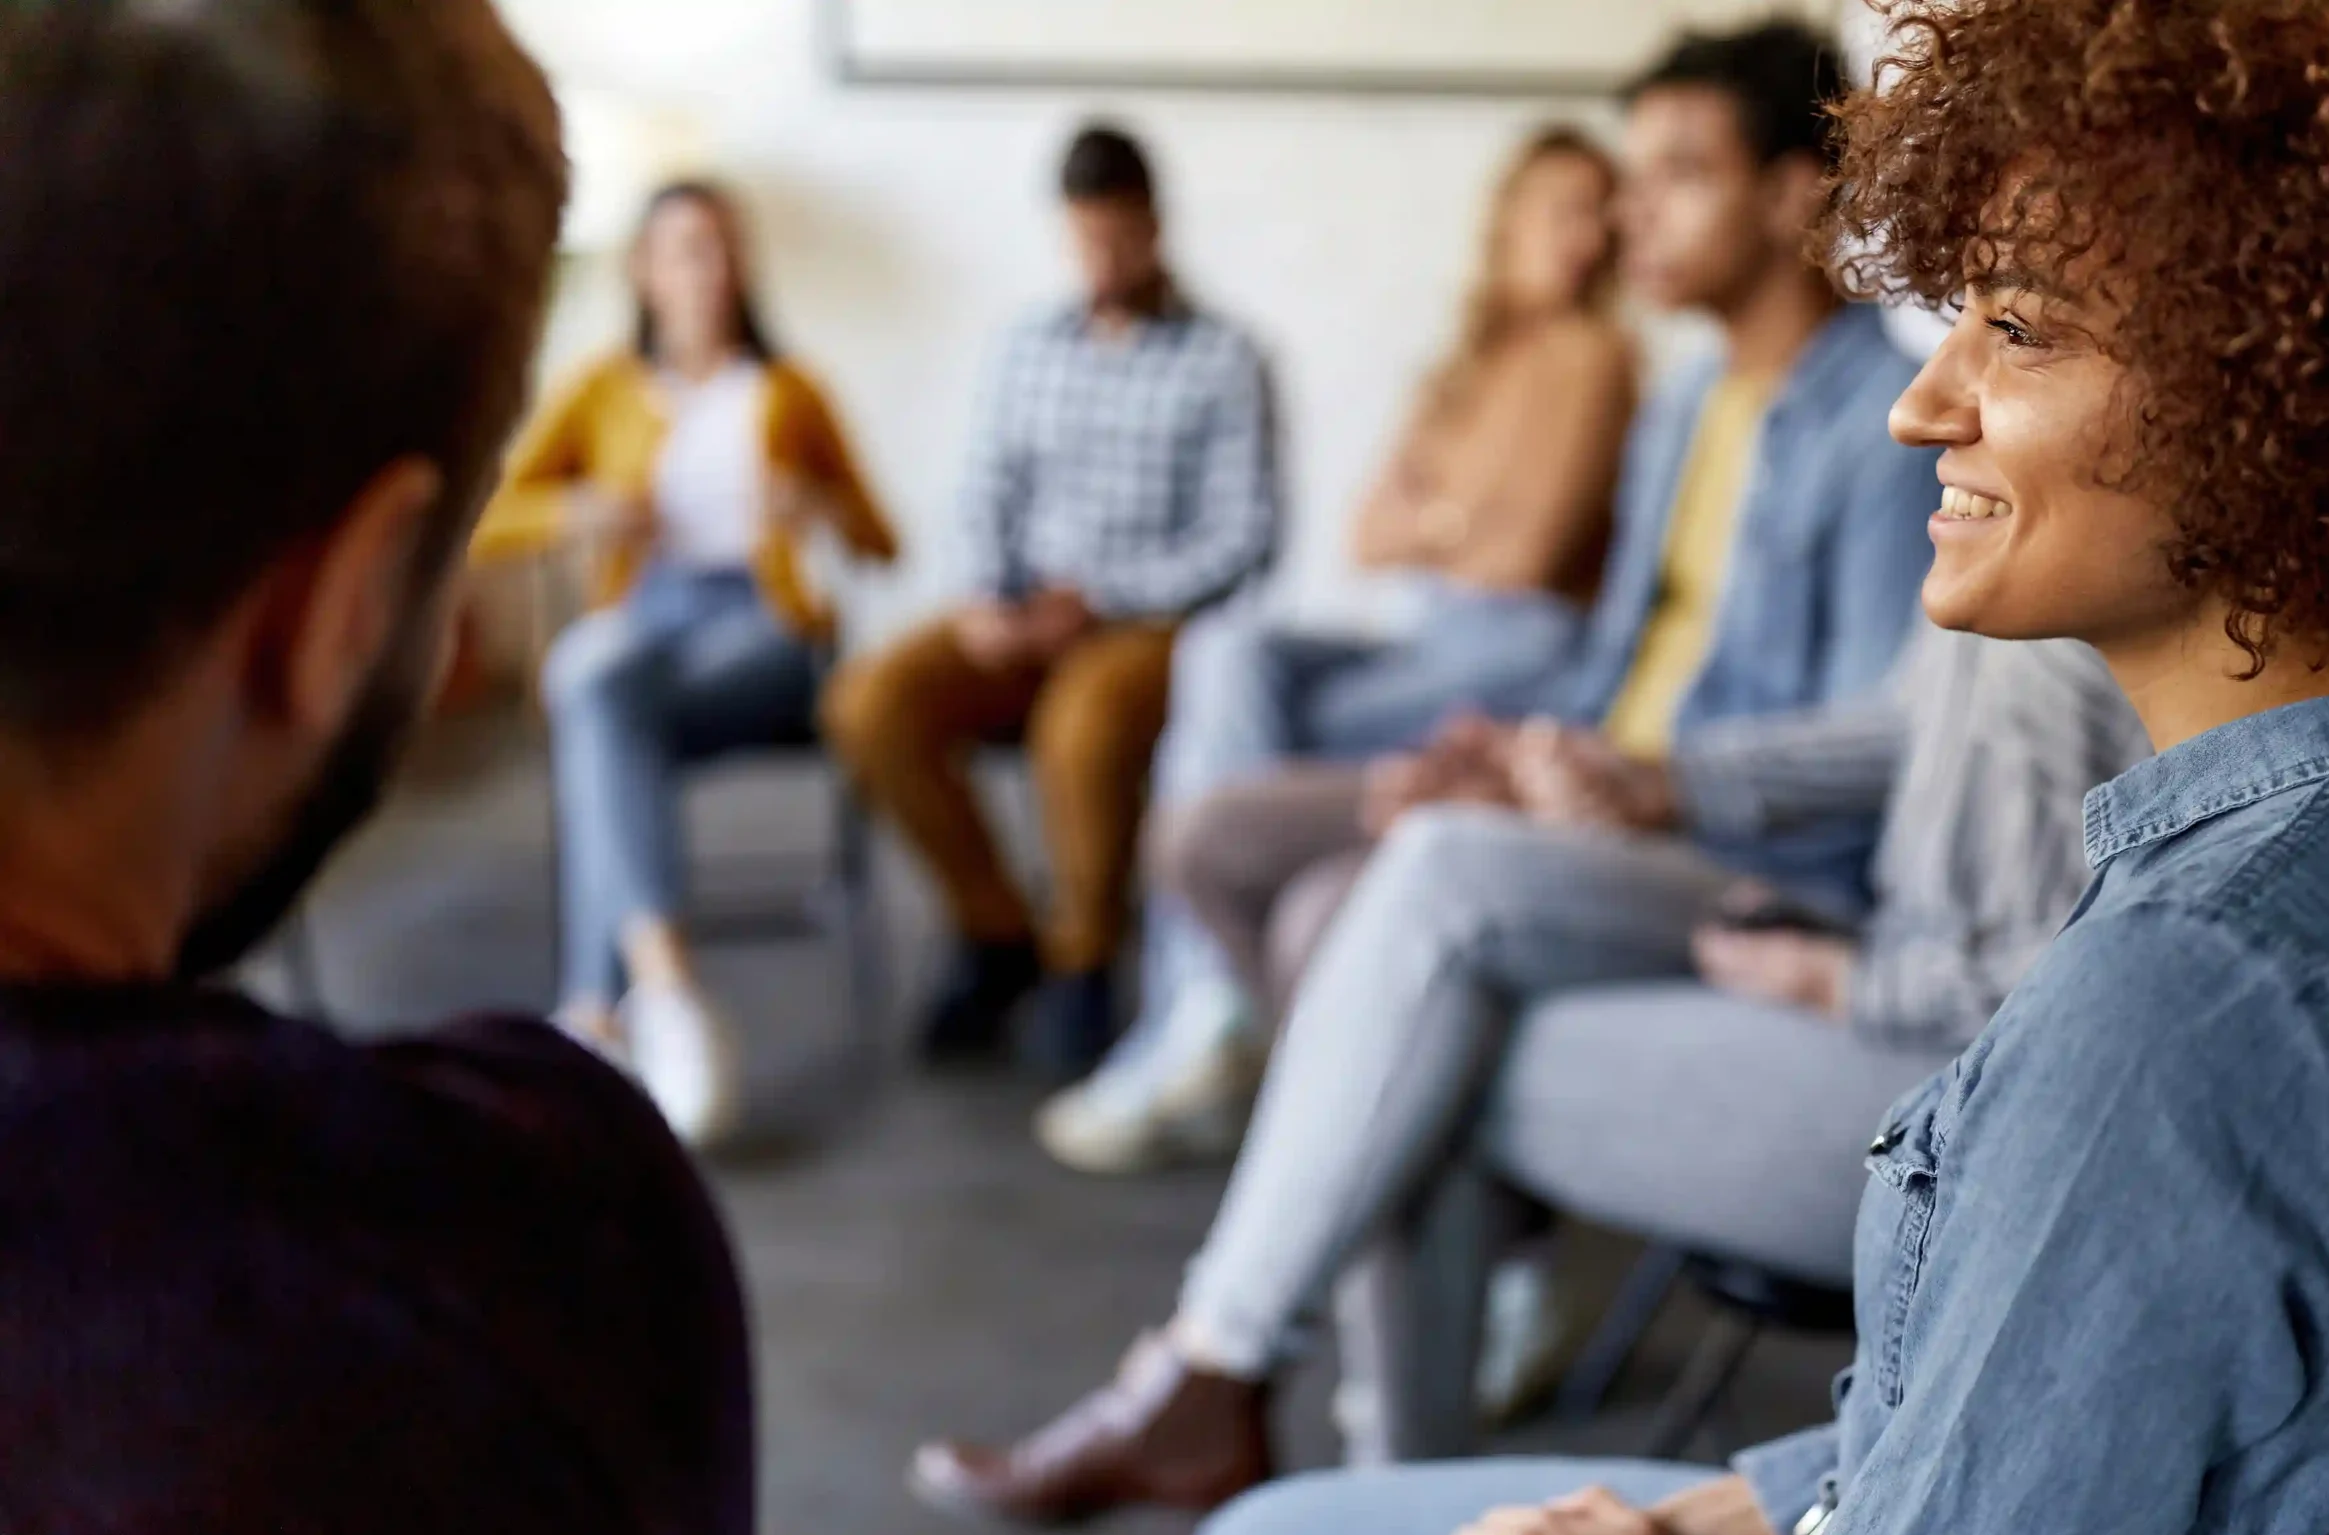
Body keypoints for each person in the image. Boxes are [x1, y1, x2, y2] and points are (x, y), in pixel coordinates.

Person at [1020, 0, 2329, 1535]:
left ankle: (1233, 1353)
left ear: (2288, 392)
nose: (1924, 403)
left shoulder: (2191, 1005)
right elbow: (2031, 1425)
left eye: (2019, 331)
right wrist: (1703, 1522)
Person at [910, 20, 1952, 1519]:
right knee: (1229, 839)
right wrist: (1503, 756)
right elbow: (1608, 657)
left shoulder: (1881, 422)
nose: (1631, 209)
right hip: (1597, 797)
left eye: (1679, 173)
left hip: (1747, 864)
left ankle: (1248, 1382)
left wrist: (1628, 782)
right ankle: (1363, 1427)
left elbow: (1867, 750)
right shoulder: (1684, 403)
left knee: (1376, 907)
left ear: (1799, 195)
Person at [0, 5, 754, 1535]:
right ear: (342, 613)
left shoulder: (787, 400)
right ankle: (647, 970)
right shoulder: (521, 1240)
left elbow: (861, 531)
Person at [1040, 125, 1638, 1172]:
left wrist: (1441, 516)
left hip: (1528, 651)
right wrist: (1462, 523)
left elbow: (1526, 554)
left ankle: (1200, 1012)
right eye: (1559, 206)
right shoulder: (1466, 363)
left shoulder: (1597, 357)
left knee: (1244, 731)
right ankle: (1214, 1005)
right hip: (1423, 634)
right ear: (1505, 221)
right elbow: (1368, 532)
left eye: (1600, 210)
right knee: (1226, 652)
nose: (1583, 234)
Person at [823, 122, 1282, 1074]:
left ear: (1156, 225)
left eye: (1120, 238)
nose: (1103, 261)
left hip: (1144, 623)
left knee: (1080, 730)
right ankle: (996, 931)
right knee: (869, 703)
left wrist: (1100, 599)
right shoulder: (1025, 347)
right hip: (1017, 608)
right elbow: (984, 491)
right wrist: (991, 598)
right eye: (1085, 240)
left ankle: (1083, 954)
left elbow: (1241, 538)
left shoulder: (1226, 359)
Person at [473, 179, 900, 1150]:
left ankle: (599, 1011)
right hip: (646, 625)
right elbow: (490, 519)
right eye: (683, 250)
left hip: (767, 633)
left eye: (720, 249)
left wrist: (819, 509)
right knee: (598, 684)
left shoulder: (791, 391)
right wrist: (577, 512)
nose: (705, 270)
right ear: (643, 271)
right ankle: (662, 992)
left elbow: (883, 540)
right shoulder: (600, 388)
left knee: (596, 702)